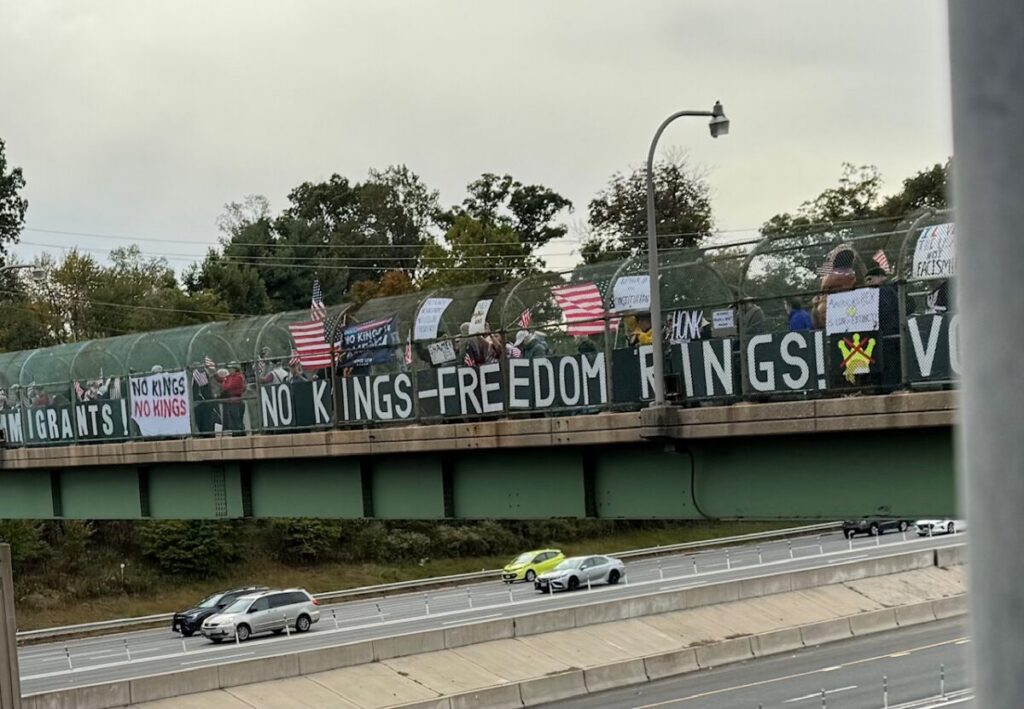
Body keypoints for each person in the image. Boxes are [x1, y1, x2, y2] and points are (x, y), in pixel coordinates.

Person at [218, 362, 246, 434]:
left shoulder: (239, 377)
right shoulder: (229, 377)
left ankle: (241, 435)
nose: (230, 370)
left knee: (237, 421)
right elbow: (224, 386)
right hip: (230, 401)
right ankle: (236, 435)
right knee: (232, 422)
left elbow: (229, 386)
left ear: (235, 369)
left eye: (231, 368)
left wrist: (225, 384)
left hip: (236, 401)